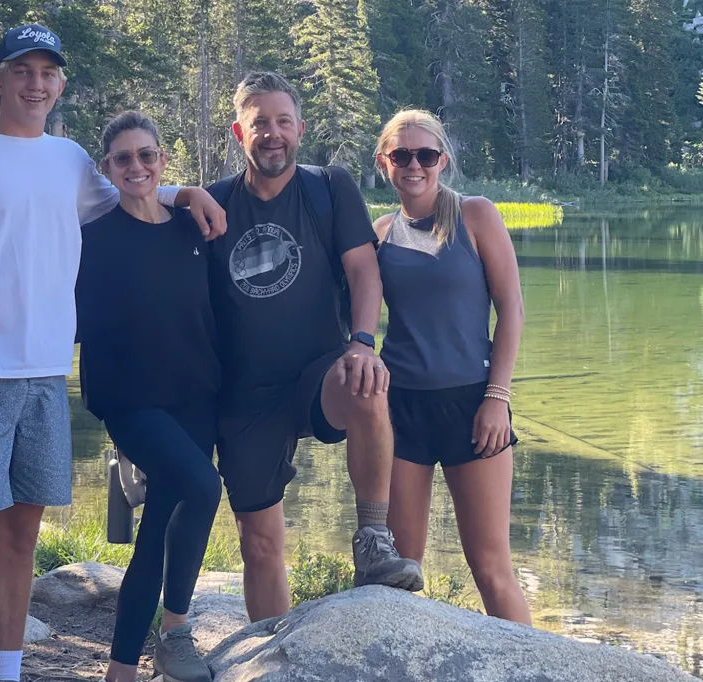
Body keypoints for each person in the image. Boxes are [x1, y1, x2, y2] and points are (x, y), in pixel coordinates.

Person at [0, 24, 225, 682]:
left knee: (21, 541)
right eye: (21, 70)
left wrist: (184, 192)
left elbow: (129, 200)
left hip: (46, 378)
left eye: (48, 72)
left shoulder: (71, 159)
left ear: (61, 84)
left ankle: (9, 671)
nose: (35, 83)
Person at [205, 72, 423, 623]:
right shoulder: (212, 204)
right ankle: (269, 651)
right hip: (244, 393)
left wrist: (363, 342)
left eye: (283, 122)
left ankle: (374, 540)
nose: (272, 134)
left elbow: (364, 271)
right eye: (260, 124)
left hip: (319, 373)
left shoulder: (329, 188)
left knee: (368, 381)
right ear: (238, 132)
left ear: (299, 128)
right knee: (259, 544)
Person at [74, 111, 220, 682]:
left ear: (162, 159)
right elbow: (46, 297)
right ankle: (175, 627)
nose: (136, 166)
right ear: (107, 167)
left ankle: (126, 665)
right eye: (123, 158)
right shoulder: (93, 237)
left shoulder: (194, 229)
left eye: (146, 155)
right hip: (129, 399)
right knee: (201, 484)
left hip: (197, 392)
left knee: (163, 518)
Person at [372, 109, 532, 624]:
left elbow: (511, 310)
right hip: (401, 413)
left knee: (490, 568)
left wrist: (497, 398)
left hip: (473, 406)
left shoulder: (477, 215)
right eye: (402, 155)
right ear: (385, 162)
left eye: (426, 155)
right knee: (400, 572)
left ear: (443, 160)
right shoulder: (378, 235)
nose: (414, 165)